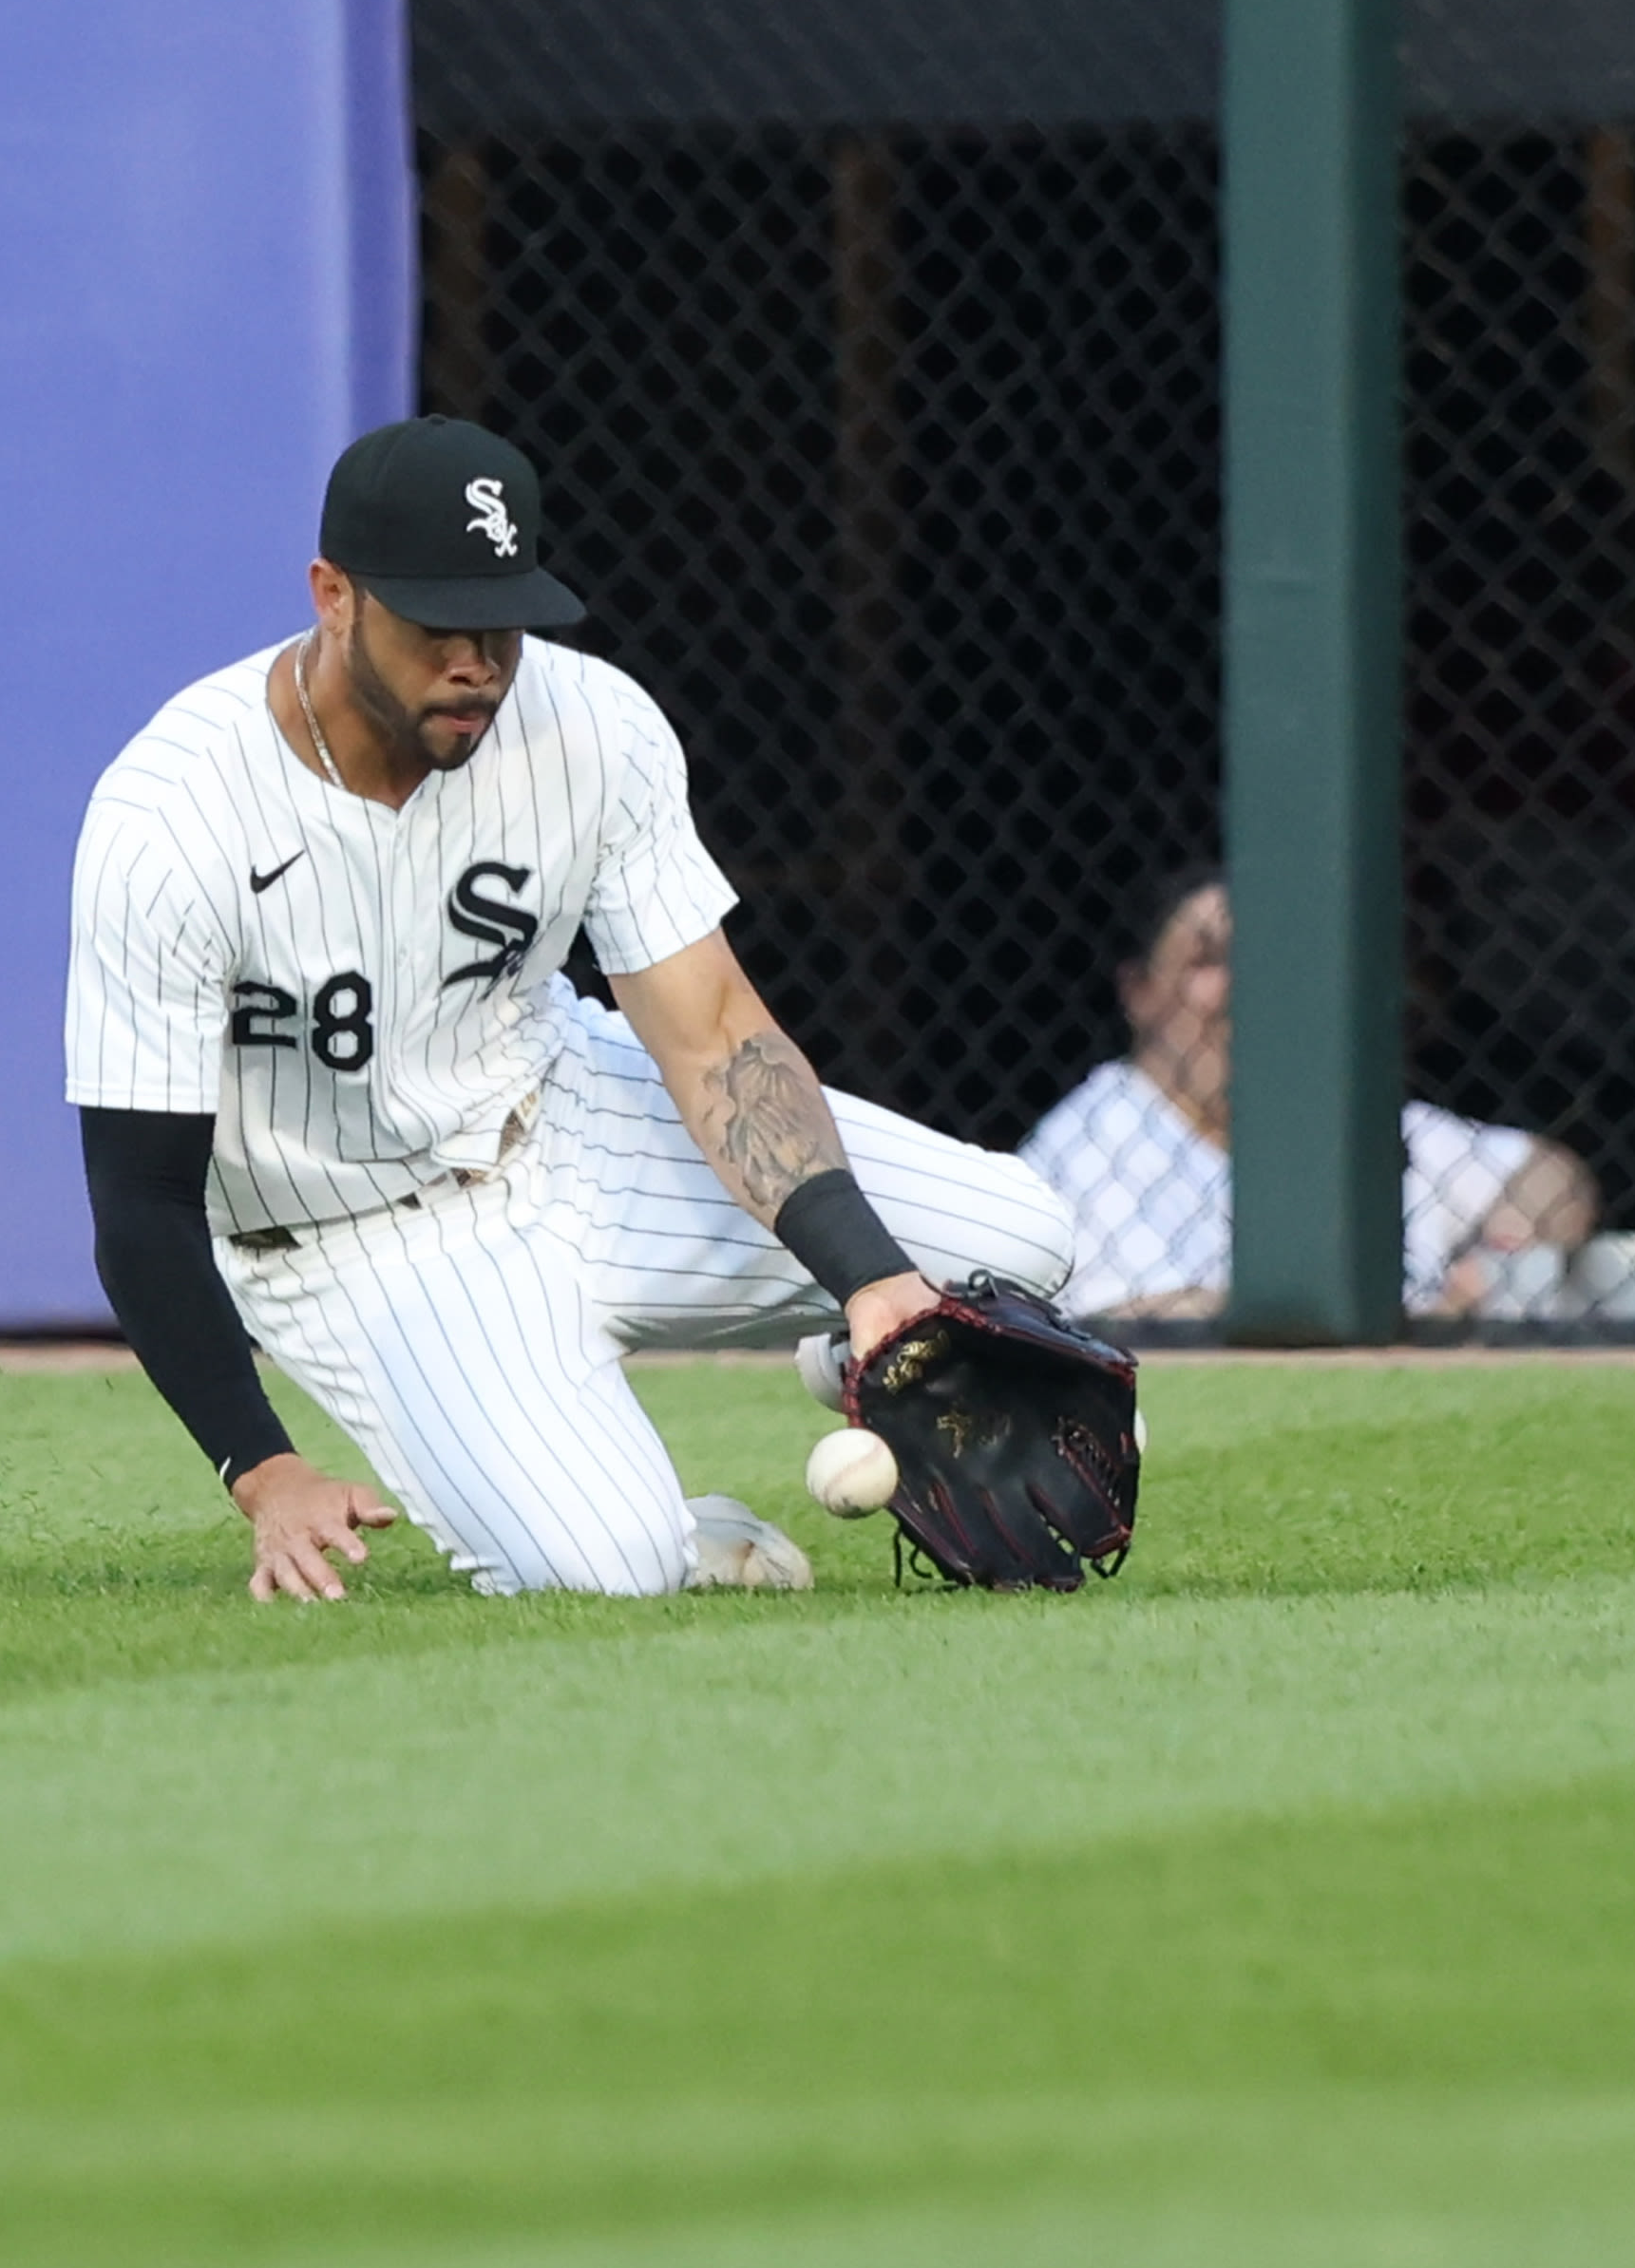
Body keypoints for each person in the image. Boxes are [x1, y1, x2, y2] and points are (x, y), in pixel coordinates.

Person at [67, 416, 1077, 1603]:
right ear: (333, 595)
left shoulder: (590, 725)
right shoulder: (173, 818)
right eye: (437, 621)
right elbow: (139, 1202)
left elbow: (713, 1035)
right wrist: (262, 1465)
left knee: (1019, 1242)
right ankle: (670, 1519)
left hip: (565, 1114)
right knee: (608, 1567)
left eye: (500, 620)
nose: (477, 661)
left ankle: (847, 1353)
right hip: (356, 1237)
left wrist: (868, 1280)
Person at [1023, 866, 1600, 1320]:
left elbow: (1550, 1175)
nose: (1243, 985)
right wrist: (1415, 1319)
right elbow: (1150, 1327)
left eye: (1265, 960)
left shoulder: (1318, 1114)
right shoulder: (1097, 1141)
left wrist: (1496, 1267)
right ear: (1140, 992)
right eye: (1208, 961)